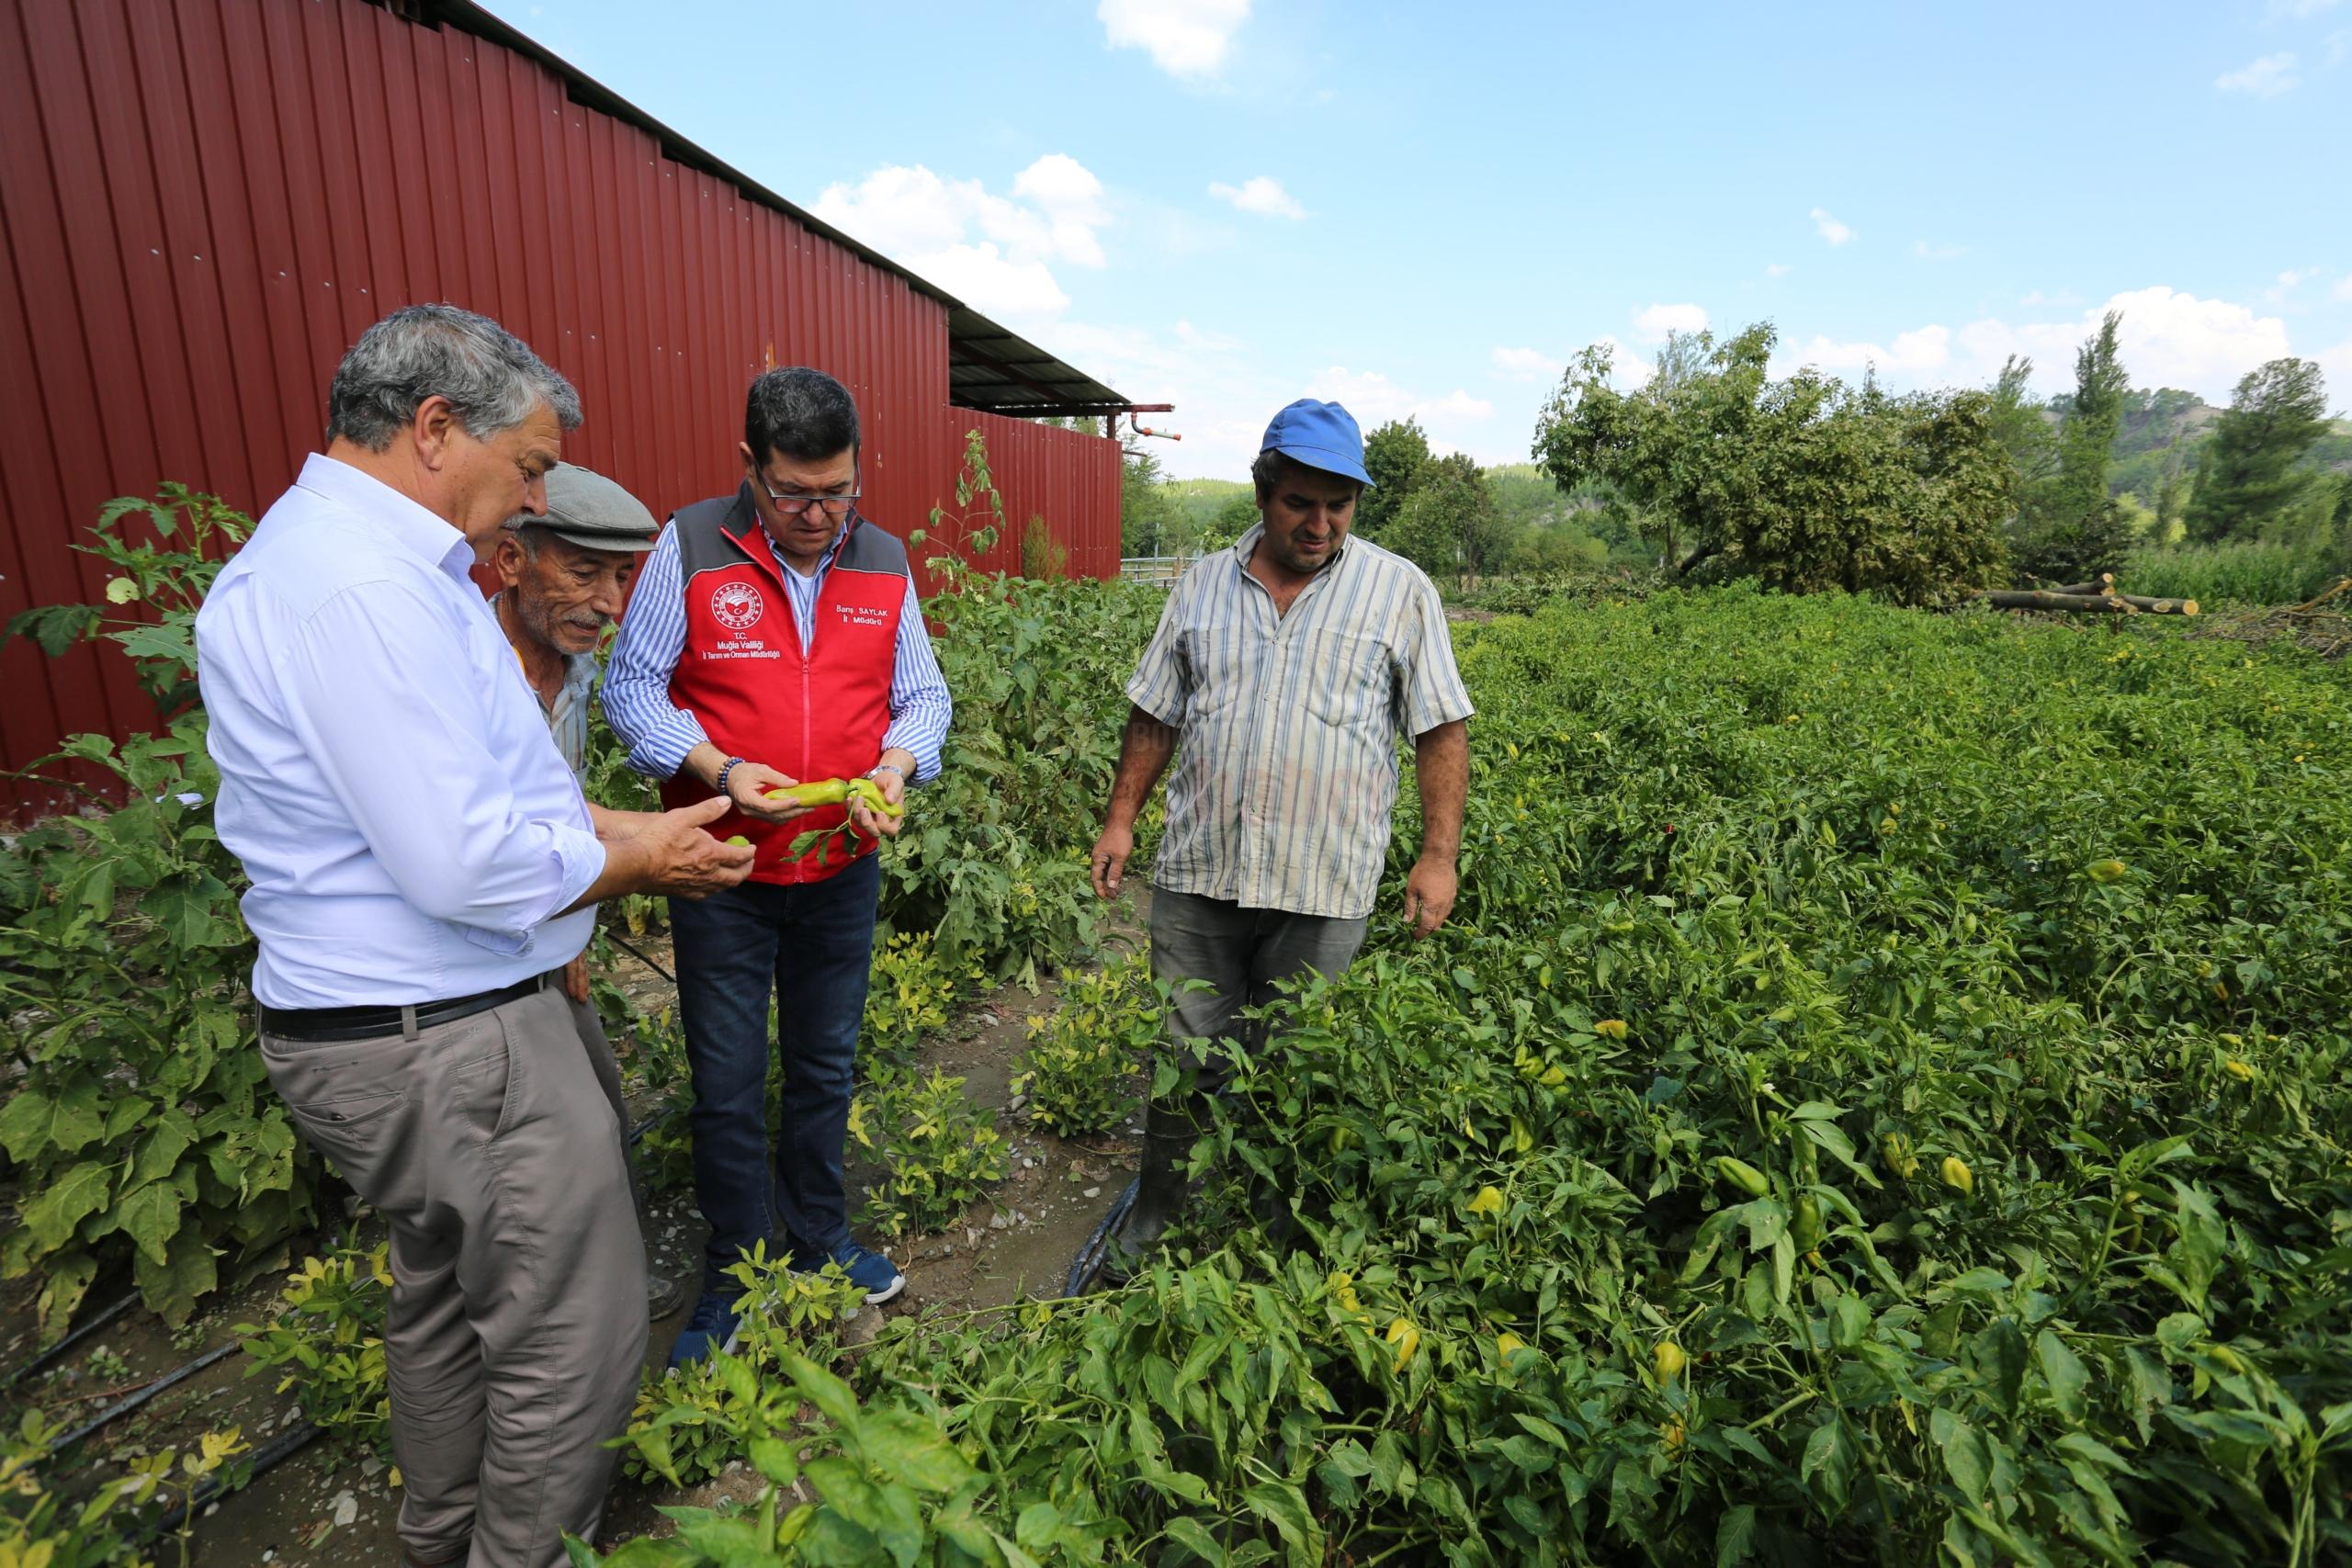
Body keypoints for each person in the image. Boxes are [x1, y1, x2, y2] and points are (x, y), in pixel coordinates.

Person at [195, 303, 755, 1568]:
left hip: (395, 1035)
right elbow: (466, 859)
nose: (533, 496)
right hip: (448, 1038)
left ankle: (442, 1538)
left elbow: (496, 806)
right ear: (437, 427)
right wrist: (644, 856)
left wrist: (630, 824)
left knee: (446, 1304)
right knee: (574, 1336)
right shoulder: (359, 588)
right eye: (534, 465)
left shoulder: (360, 566)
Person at [603, 367, 952, 1366]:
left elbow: (922, 698)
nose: (816, 514)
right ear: (749, 466)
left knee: (824, 1065)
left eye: (836, 491)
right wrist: (719, 766)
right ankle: (732, 1269)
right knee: (726, 1077)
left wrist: (893, 763)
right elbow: (633, 688)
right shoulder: (691, 545)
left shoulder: (881, 559)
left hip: (839, 866)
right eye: (793, 492)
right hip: (719, 867)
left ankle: (818, 1235)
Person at [1087, 398, 1474, 1273]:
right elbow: (1156, 711)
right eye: (1302, 502)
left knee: (1293, 1070)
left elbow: (1440, 729)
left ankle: (1275, 1250)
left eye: (1340, 505)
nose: (1321, 523)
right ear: (1264, 492)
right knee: (1183, 1060)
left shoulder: (1399, 590)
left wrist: (1437, 854)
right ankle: (1152, 1231)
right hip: (1200, 873)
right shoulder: (1200, 585)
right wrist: (1121, 819)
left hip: (1323, 882)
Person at [484, 463, 687, 1322]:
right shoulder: (469, 676)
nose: (609, 602)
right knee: (541, 1177)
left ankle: (588, 1306)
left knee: (599, 1120)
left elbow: (562, 814)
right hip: (468, 979)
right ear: (509, 561)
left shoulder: (570, 674)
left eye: (622, 576)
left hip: (544, 944)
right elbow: (490, 854)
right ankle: (564, 1327)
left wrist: (575, 938)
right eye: (583, 571)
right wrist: (652, 851)